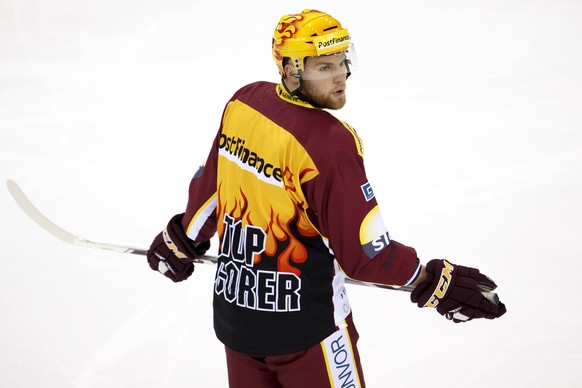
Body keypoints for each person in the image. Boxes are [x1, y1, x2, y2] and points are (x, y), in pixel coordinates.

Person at [146, 9, 506, 388]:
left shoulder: (244, 103)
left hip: (237, 321)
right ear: (290, 70)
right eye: (323, 67)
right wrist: (431, 280)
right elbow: (365, 256)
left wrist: (184, 239)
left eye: (342, 61)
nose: (340, 75)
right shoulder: (330, 144)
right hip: (308, 332)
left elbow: (210, 193)